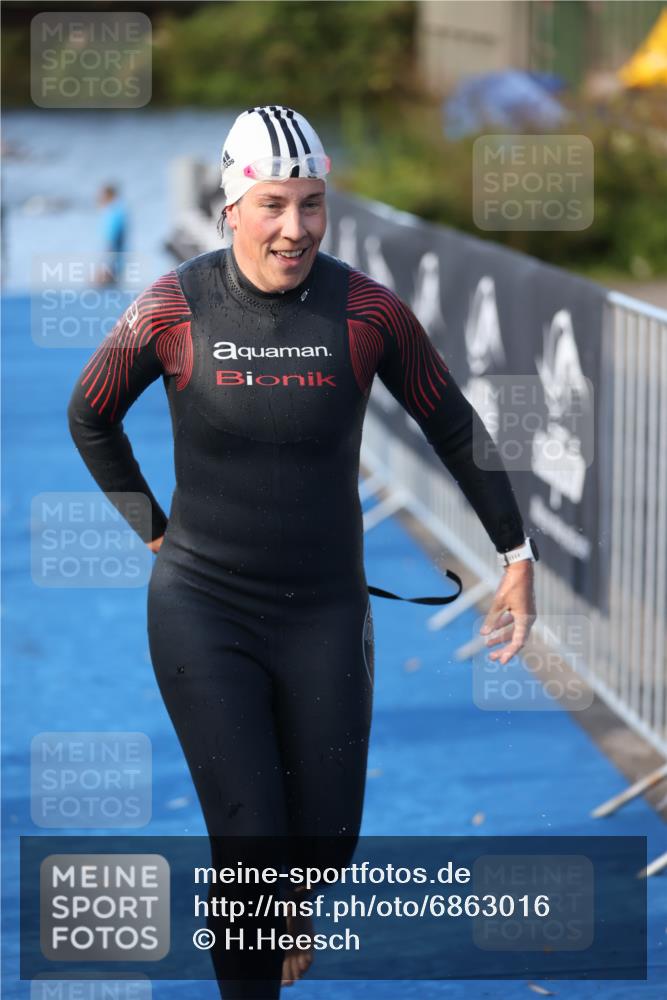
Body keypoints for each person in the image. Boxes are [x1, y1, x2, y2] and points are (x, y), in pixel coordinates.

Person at [68, 106, 537, 997]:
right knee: (248, 848)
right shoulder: (173, 306)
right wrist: (154, 530)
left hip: (324, 609)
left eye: (313, 204)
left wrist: (515, 558)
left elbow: (455, 427)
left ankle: (297, 898)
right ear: (232, 205)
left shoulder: (366, 311)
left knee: (321, 843)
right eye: (274, 204)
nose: (295, 228)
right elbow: (91, 413)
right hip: (202, 608)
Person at [96, 183, 128, 285]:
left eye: (101, 195)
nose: (99, 198)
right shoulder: (119, 210)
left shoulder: (114, 212)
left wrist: (104, 267)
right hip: (118, 261)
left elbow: (112, 241)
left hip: (113, 262)